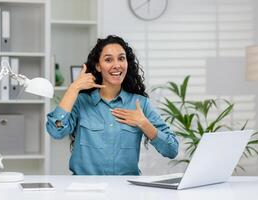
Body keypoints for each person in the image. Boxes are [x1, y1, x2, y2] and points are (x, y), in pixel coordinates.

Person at [46, 35, 178, 175]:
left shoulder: (140, 104)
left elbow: (172, 149)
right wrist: (73, 88)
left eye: (121, 58)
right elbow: (56, 131)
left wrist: (144, 124)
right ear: (98, 66)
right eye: (108, 60)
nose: (117, 65)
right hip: (85, 190)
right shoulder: (81, 101)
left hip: (125, 190)